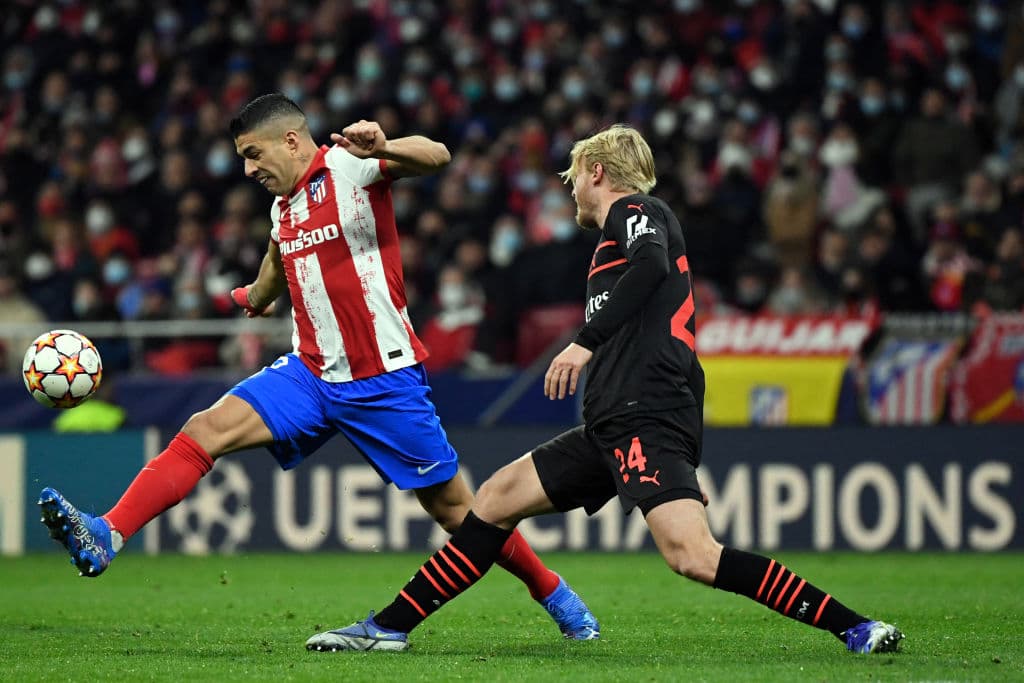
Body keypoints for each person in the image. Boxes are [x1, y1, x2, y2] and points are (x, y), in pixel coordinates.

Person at [305, 125, 904, 655]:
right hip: (613, 423)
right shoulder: (619, 233)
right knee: (494, 498)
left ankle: (855, 626)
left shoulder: (636, 209)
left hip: (648, 413)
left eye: (574, 179)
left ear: (598, 171)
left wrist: (583, 342)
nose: (570, 191)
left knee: (692, 556)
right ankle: (390, 627)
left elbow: (652, 268)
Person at [37, 94, 598, 642]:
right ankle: (107, 533)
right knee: (203, 431)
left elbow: (438, 155)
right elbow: (277, 262)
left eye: (253, 154)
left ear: (290, 139)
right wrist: (251, 297)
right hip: (308, 373)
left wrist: (388, 144)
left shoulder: (351, 166)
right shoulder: (282, 209)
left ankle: (550, 590)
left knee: (458, 512)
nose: (247, 168)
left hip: (383, 378)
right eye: (241, 159)